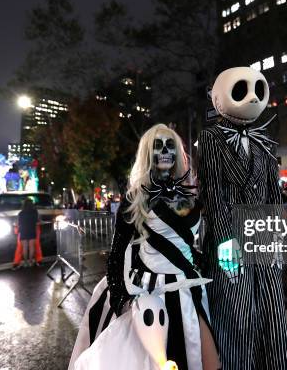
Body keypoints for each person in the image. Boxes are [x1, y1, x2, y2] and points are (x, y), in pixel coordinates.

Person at [69, 124, 220, 370]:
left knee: (208, 361)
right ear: (147, 153)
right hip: (151, 292)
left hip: (189, 290)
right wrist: (120, 300)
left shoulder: (190, 196)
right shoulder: (136, 197)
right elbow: (117, 251)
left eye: (170, 145)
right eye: (157, 146)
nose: (164, 151)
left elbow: (187, 244)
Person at [197, 67, 287, 370]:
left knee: (272, 307)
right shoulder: (211, 137)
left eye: (256, 90)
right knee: (236, 311)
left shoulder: (266, 141)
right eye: (241, 90)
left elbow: (273, 191)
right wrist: (225, 238)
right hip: (230, 233)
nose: (251, 97)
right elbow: (212, 191)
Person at [17, 198, 39, 267]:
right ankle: (30, 261)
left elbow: (19, 223)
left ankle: (25, 262)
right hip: (32, 229)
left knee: (25, 247)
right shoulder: (34, 212)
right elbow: (37, 221)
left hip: (23, 230)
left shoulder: (21, 213)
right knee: (31, 246)